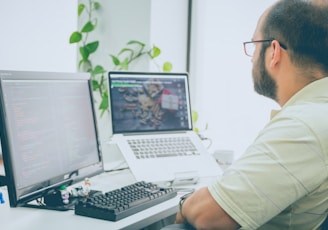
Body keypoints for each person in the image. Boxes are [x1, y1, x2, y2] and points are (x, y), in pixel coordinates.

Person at [161, 0, 328, 229]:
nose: (252, 57)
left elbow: (207, 215)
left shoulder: (304, 125)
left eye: (255, 45)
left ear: (274, 52)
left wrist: (184, 204)